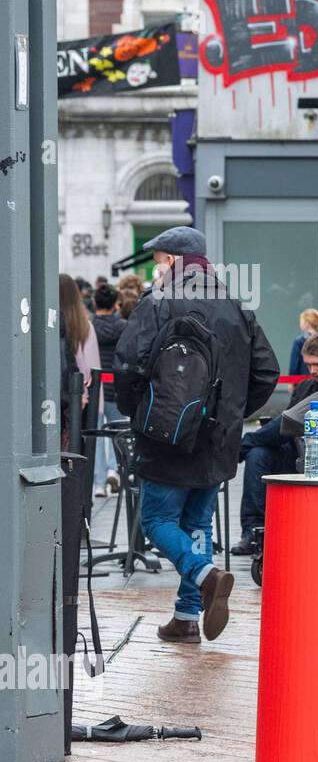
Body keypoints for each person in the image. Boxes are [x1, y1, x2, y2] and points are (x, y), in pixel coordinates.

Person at [114, 226, 279, 645]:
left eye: (158, 260)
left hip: (166, 433)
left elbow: (129, 364)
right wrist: (231, 415)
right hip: (218, 441)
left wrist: (141, 411)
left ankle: (205, 576)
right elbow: (266, 372)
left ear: (172, 261)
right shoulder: (236, 306)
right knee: (197, 523)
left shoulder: (158, 303)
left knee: (157, 520)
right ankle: (186, 616)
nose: (156, 269)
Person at [233, 333, 318, 554]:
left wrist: (251, 439)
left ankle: (243, 446)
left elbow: (288, 424)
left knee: (263, 438)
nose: (312, 371)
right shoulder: (306, 387)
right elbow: (287, 425)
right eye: (308, 365)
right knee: (258, 454)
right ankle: (253, 531)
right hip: (299, 454)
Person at [90, 282, 128, 496]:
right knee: (119, 432)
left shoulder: (88, 326)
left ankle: (99, 481)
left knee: (96, 435)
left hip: (96, 386)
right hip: (115, 383)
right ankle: (116, 469)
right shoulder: (123, 327)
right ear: (116, 304)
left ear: (94, 301)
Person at [58, 273, 102, 451]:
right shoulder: (84, 325)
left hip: (57, 395)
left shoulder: (49, 324)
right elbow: (92, 368)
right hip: (79, 398)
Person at [288, 308, 318, 378]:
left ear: (306, 323)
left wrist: (291, 381)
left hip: (304, 381)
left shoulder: (300, 341)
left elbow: (294, 365)